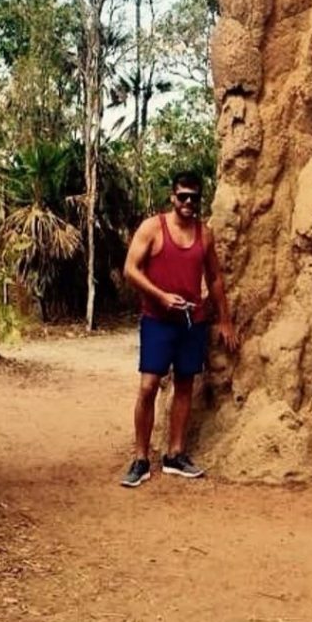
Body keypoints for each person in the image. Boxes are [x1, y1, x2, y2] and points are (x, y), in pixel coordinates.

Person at [119, 171, 238, 487]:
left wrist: (224, 319)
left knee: (185, 385)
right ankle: (141, 459)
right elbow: (130, 269)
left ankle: (175, 454)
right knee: (148, 385)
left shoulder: (205, 234)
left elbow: (214, 277)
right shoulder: (153, 228)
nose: (188, 202)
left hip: (192, 322)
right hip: (157, 320)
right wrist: (160, 296)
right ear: (172, 197)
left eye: (194, 197)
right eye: (182, 196)